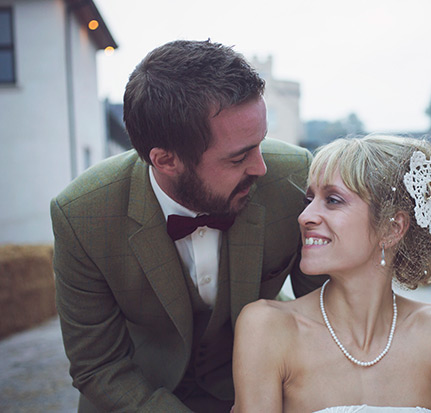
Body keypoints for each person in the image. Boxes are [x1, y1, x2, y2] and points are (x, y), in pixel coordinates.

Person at [51, 40, 325, 412]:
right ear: (166, 160)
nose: (260, 167)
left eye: (260, 143)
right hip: (137, 396)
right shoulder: (81, 215)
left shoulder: (292, 177)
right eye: (239, 157)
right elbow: (98, 366)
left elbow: (327, 314)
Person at [232, 135, 431, 412]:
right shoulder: (267, 329)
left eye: (332, 200)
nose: (305, 216)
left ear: (392, 229)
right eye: (309, 199)